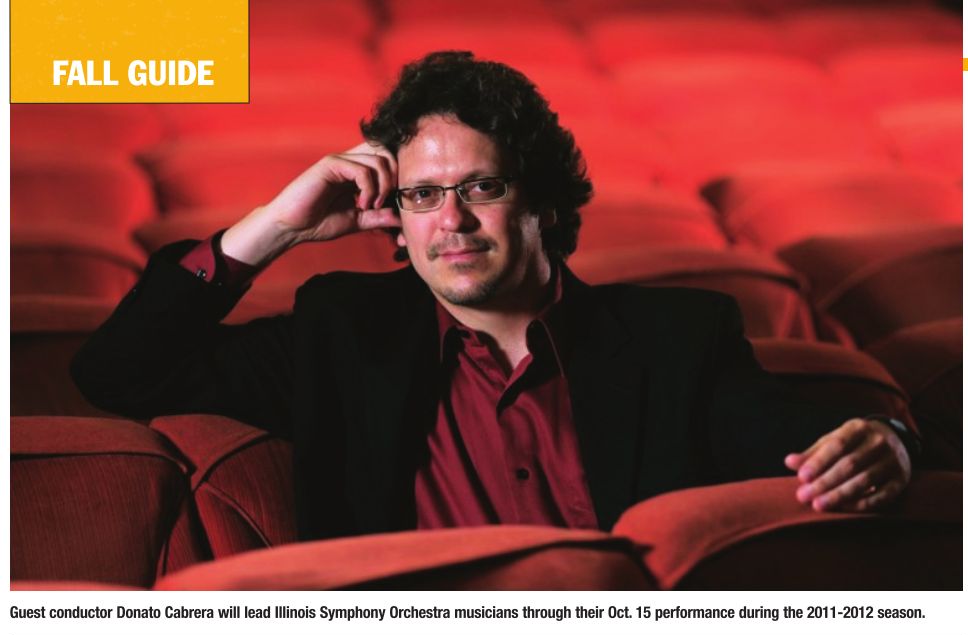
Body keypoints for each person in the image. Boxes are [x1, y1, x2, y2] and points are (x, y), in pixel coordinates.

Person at [72, 51, 916, 540]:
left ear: (543, 202)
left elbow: (806, 443)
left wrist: (888, 441)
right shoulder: (341, 330)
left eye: (482, 188)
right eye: (421, 195)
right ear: (396, 217)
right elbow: (118, 373)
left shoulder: (678, 337)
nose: (451, 221)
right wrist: (272, 228)